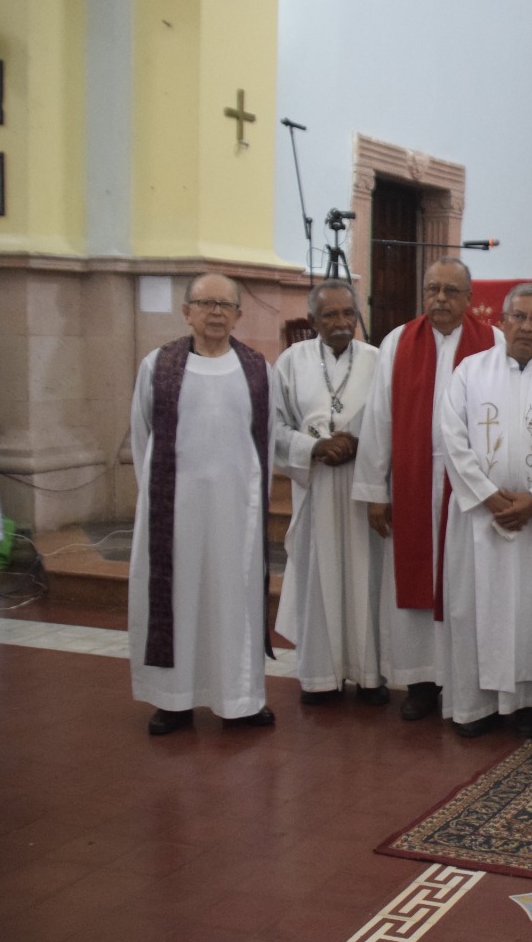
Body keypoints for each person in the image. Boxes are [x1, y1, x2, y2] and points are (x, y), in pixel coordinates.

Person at [127, 272, 281, 736]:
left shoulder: (258, 370)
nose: (215, 312)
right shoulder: (158, 366)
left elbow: (268, 443)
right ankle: (173, 701)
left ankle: (240, 699)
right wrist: (160, 500)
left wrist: (254, 503)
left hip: (237, 512)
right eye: (205, 303)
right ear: (186, 312)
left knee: (234, 599)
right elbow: (141, 438)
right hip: (175, 512)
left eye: (225, 304)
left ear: (238, 314)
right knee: (176, 597)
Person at [439, 282, 532, 737]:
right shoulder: (470, 371)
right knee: (475, 609)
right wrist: (486, 495)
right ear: (501, 322)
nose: (527, 326)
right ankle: (475, 706)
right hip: (479, 520)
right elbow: (452, 436)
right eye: (518, 317)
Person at [352, 258, 494, 721]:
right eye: (433, 289)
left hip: (469, 483)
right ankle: (420, 682)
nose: (441, 299)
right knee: (414, 578)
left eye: (452, 291)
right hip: (413, 478)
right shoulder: (398, 342)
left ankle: (465, 682)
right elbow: (378, 420)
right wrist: (376, 489)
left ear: (470, 298)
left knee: (462, 582)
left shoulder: (492, 342)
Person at [273, 281, 384, 705]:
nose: (340, 324)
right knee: (317, 577)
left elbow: (390, 422)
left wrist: (358, 442)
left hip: (363, 488)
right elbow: (275, 426)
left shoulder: (377, 360)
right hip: (315, 488)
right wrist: (313, 447)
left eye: (347, 314)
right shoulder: (291, 362)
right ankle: (320, 676)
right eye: (330, 316)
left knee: (367, 576)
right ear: (313, 320)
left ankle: (369, 675)